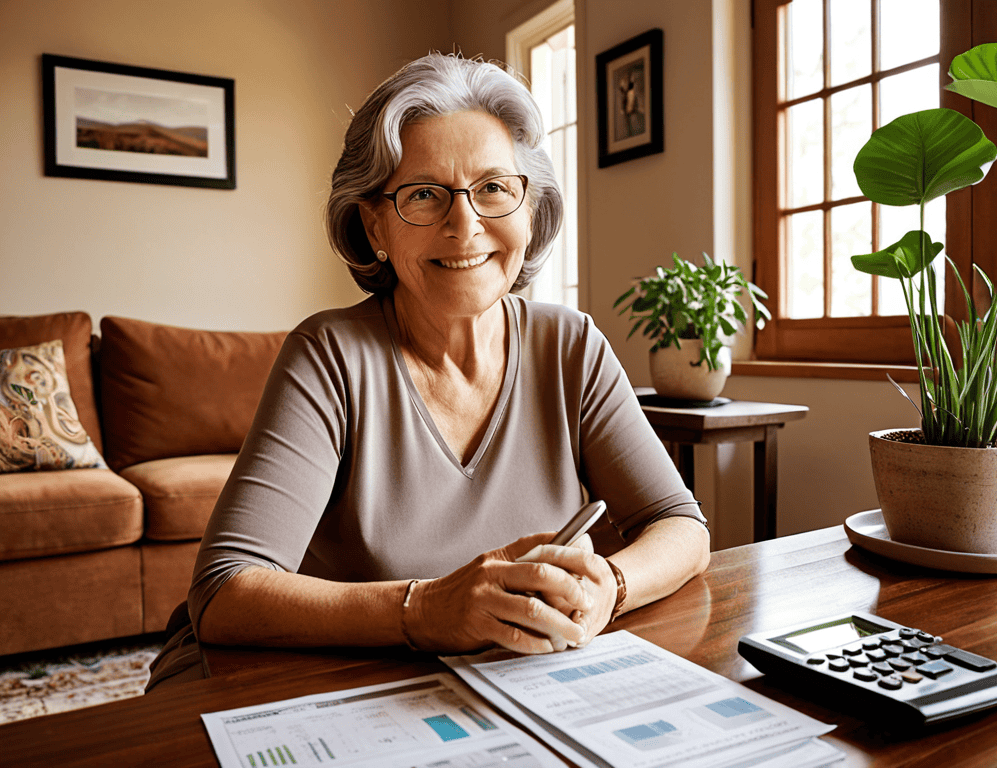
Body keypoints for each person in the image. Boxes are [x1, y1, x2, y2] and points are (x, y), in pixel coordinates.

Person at [146, 52, 709, 690]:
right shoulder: (328, 354)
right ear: (374, 224)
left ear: (530, 207)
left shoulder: (570, 344)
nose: (465, 225)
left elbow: (682, 528)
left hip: (501, 682)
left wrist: (613, 583)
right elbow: (224, 594)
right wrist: (429, 609)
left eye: (494, 188)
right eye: (423, 195)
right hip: (321, 680)